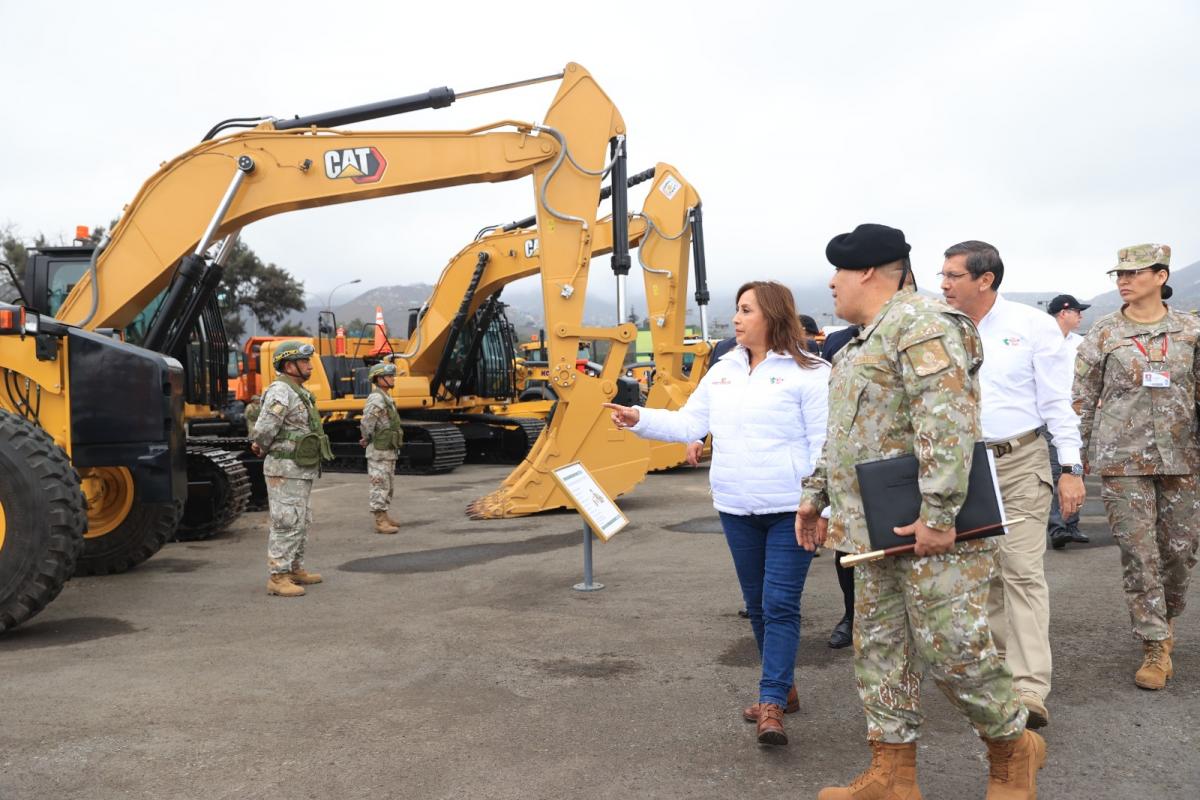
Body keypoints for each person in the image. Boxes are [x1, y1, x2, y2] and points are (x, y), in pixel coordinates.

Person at [798, 223, 1042, 799]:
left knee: (955, 649)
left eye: (838, 272)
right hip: (874, 530)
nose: (831, 284)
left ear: (866, 272)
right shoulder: (860, 342)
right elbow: (845, 434)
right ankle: (893, 776)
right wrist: (815, 495)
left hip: (935, 527)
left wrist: (939, 514)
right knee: (880, 652)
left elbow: (948, 422)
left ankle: (1013, 751)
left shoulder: (924, 324)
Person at [604, 281, 830, 747]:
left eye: (746, 310)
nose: (737, 318)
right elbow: (690, 423)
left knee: (780, 604)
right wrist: (638, 418)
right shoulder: (723, 369)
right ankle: (783, 688)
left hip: (792, 509)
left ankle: (770, 703)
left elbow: (823, 447)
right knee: (758, 607)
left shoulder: (811, 373)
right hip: (734, 506)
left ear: (771, 315)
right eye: (737, 310)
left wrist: (822, 505)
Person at [939, 240, 1085, 731]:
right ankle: (1000, 675)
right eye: (943, 275)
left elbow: (1057, 401)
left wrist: (1071, 468)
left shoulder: (1033, 327)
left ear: (986, 279)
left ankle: (1029, 687)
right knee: (983, 575)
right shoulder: (938, 327)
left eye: (954, 275)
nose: (944, 284)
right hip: (962, 468)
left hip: (1019, 459)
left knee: (1021, 571)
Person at [1073, 243, 1200, 690]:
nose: (1123, 281)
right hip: (1123, 460)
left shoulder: (1190, 330)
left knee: (1180, 554)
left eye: (1134, 273)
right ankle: (1153, 642)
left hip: (1182, 459)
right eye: (1119, 275)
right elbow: (1083, 399)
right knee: (1139, 553)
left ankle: (1167, 619)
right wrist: (1077, 459)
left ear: (1161, 276)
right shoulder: (1103, 334)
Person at [250, 341, 333, 597]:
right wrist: (260, 444)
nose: (310, 365)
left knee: (300, 520)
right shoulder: (280, 391)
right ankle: (278, 576)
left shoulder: (298, 391)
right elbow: (265, 426)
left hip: (300, 467)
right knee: (286, 521)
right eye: (305, 361)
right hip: (284, 468)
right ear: (289, 365)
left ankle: (295, 569)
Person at [819, 325, 860, 650]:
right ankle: (851, 615)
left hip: (896, 461)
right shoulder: (837, 340)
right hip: (847, 461)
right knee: (846, 549)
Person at [1045, 294, 1092, 549]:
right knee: (1058, 472)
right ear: (1063, 313)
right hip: (1049, 419)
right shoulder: (1041, 340)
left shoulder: (1080, 344)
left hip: (1075, 417)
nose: (1081, 315)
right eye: (1077, 311)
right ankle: (1058, 527)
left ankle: (1071, 524)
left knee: (1076, 471)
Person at [360, 362, 404, 534]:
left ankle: (384, 515)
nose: (393, 378)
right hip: (379, 450)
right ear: (379, 378)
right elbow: (367, 422)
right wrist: (366, 437)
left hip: (387, 448)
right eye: (390, 376)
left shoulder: (386, 397)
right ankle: (380, 520)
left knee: (387, 484)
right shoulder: (377, 398)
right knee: (379, 484)